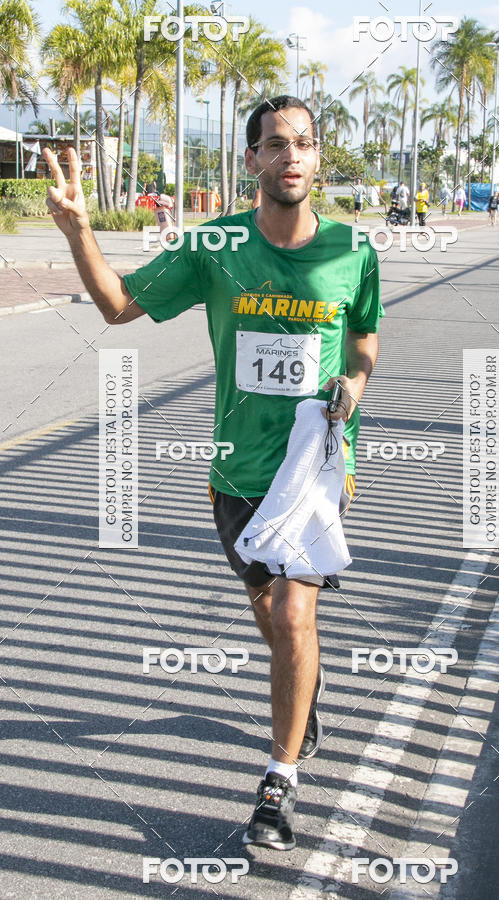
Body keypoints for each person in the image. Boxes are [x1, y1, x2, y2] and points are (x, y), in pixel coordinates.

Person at [42, 94, 383, 853]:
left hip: (314, 469)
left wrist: (355, 386)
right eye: (274, 144)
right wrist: (79, 231)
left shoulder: (353, 251)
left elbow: (364, 336)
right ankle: (304, 695)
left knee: (296, 618)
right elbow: (117, 306)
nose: (290, 156)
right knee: (274, 622)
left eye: (303, 143)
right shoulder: (217, 245)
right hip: (235, 475)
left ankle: (277, 783)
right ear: (253, 160)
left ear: (317, 157)